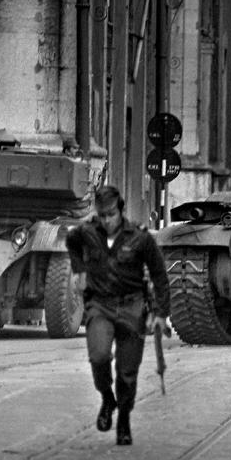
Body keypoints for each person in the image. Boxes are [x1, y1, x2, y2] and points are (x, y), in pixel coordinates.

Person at [66, 186, 170, 446]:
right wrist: (79, 270)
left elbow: (159, 275)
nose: (106, 220)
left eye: (111, 214)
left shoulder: (140, 238)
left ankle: (123, 417)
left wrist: (160, 313)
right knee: (98, 356)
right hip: (100, 305)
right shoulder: (87, 232)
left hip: (132, 307)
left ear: (121, 210)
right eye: (102, 215)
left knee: (127, 372)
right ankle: (107, 398)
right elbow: (71, 240)